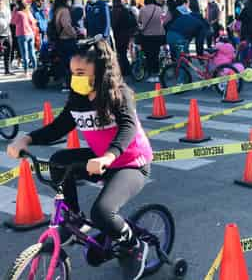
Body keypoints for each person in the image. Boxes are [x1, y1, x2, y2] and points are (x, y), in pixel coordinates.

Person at [7, 39, 152, 280]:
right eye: (73, 72)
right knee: (58, 161)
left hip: (130, 162)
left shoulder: (120, 94)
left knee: (102, 212)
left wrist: (109, 155)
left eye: (81, 72)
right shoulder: (78, 98)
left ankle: (135, 246)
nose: (75, 78)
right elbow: (60, 126)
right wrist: (27, 139)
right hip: (100, 159)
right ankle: (72, 218)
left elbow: (127, 127)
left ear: (100, 71)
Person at [53, 0, 78, 91]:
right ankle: (69, 84)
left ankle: (64, 83)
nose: (70, 1)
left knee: (64, 63)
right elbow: (66, 25)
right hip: (67, 40)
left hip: (60, 40)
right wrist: (75, 34)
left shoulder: (56, 10)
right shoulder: (65, 11)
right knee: (71, 63)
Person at [138, 0, 165, 83]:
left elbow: (139, 21)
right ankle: (156, 74)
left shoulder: (143, 9)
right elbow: (163, 21)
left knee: (149, 55)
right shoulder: (159, 9)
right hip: (159, 35)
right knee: (156, 55)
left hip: (147, 36)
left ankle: (150, 74)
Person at [10, 0, 37, 76]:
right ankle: (35, 70)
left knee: (24, 54)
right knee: (32, 53)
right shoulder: (28, 12)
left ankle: (26, 71)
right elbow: (33, 21)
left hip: (22, 34)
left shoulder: (18, 13)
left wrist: (14, 11)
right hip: (31, 34)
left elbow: (12, 22)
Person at [111, 0, 136, 77]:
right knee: (123, 53)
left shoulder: (115, 11)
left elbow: (114, 24)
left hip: (119, 35)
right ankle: (127, 70)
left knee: (121, 53)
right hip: (127, 34)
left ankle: (126, 70)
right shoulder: (126, 10)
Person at [0, 0, 12, 75]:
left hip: (7, 33)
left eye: (0, 0)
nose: (0, 2)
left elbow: (9, 20)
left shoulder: (6, 9)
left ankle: (7, 70)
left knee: (8, 53)